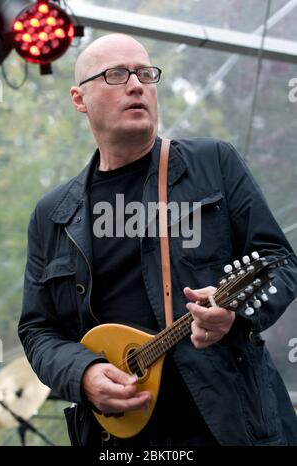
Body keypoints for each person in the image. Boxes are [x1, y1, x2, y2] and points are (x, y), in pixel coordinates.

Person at [18, 33, 297, 447]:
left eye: (145, 73)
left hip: (229, 423)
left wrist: (234, 316)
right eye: (116, 74)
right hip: (117, 435)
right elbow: (39, 329)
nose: (136, 84)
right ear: (80, 99)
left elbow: (278, 262)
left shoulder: (212, 162)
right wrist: (84, 373)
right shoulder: (53, 213)